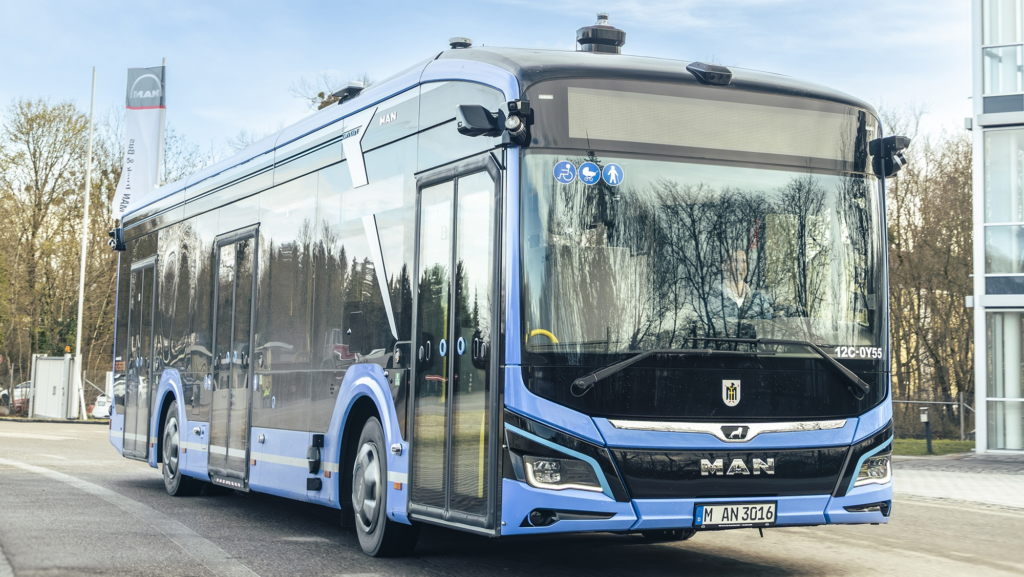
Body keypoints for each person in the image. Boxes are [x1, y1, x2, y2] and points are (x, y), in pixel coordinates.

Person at [710, 248, 772, 321]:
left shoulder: (759, 298)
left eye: (743, 261)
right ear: (723, 266)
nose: (740, 265)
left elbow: (770, 327)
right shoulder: (712, 298)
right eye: (734, 261)